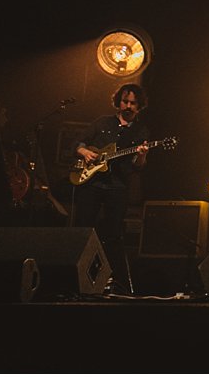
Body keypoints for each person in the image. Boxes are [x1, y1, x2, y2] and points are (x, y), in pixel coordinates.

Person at [71, 83, 150, 294]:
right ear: (119, 101)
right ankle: (75, 277)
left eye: (133, 103)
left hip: (118, 186)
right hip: (92, 183)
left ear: (139, 106)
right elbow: (77, 143)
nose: (128, 106)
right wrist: (85, 152)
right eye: (125, 101)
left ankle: (115, 281)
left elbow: (138, 167)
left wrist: (141, 154)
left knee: (113, 234)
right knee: (83, 228)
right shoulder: (102, 122)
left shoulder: (141, 131)